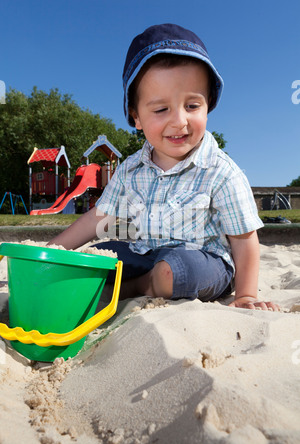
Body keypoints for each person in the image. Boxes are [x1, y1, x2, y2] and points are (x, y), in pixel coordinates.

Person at [49, 23, 279, 311]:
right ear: (136, 117)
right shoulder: (131, 169)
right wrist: (54, 250)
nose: (179, 121)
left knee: (175, 271)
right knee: (96, 257)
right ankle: (123, 280)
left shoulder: (221, 171)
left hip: (202, 261)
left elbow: (243, 238)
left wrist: (245, 294)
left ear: (209, 105)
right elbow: (99, 219)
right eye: (161, 110)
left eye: (193, 106)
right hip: (141, 252)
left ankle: (134, 288)